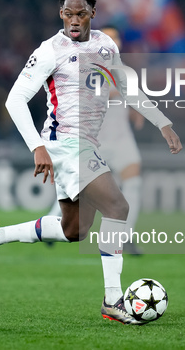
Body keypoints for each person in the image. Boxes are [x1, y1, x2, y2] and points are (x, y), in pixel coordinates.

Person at [0, 0, 182, 325]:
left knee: (75, 230)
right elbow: (14, 100)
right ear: (60, 15)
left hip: (84, 144)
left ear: (93, 14)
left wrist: (162, 122)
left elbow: (125, 87)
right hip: (65, 143)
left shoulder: (105, 45)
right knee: (118, 207)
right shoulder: (49, 50)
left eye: (80, 13)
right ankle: (113, 301)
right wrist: (37, 147)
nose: (73, 19)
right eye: (67, 13)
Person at [46, 26, 146, 255]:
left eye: (116, 37)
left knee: (133, 180)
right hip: (95, 139)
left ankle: (125, 235)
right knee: (78, 189)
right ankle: (53, 221)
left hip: (121, 139)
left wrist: (136, 112)